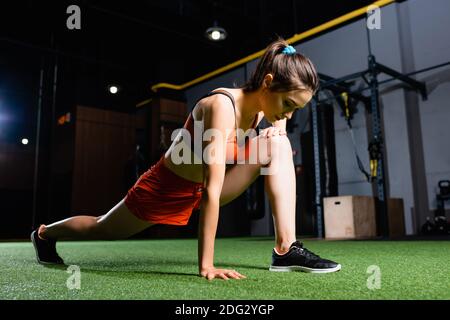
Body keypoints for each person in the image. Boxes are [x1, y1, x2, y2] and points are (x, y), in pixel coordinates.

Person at [31, 38, 341, 280]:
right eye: (288, 104)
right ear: (268, 81)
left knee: (279, 145)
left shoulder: (267, 107)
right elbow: (212, 189)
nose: (288, 114)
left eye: (296, 108)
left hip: (204, 188)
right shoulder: (221, 107)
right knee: (101, 228)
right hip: (166, 189)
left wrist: (279, 129)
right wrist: (207, 265)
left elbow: (281, 123)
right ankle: (45, 234)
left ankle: (286, 249)